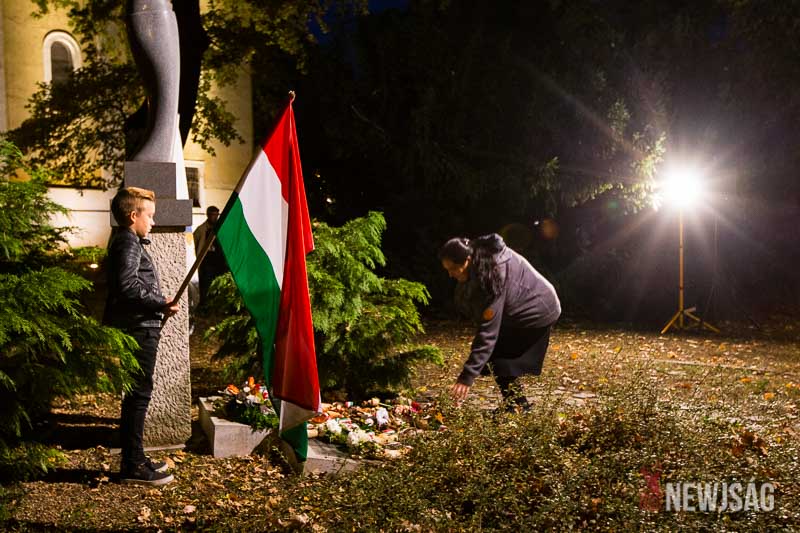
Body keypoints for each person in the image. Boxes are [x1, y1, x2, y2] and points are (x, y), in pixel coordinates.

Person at [104, 187, 179, 485]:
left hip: (139, 325)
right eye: (150, 216)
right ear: (133, 215)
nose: (153, 222)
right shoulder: (127, 241)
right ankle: (133, 465)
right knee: (138, 395)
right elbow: (127, 285)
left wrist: (159, 305)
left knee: (137, 394)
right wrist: (160, 302)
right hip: (138, 328)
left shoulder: (128, 240)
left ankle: (135, 457)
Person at [439, 233, 561, 413]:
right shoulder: (480, 261)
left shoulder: (494, 275)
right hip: (519, 307)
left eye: (454, 268)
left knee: (499, 358)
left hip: (538, 309)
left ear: (467, 260)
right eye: (447, 269)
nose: (450, 274)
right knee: (497, 357)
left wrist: (466, 378)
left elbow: (487, 333)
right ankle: (517, 405)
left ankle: (518, 406)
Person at [193, 205, 227, 306]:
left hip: (220, 261)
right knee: (206, 286)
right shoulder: (201, 229)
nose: (215, 217)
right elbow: (196, 244)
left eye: (217, 215)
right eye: (213, 215)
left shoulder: (221, 228)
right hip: (207, 262)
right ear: (208, 215)